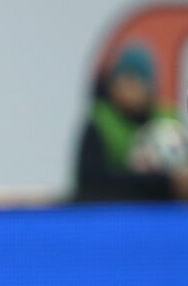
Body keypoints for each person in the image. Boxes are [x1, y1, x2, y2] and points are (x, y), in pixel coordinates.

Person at [75, 44, 188, 202]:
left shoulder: (169, 123)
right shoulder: (100, 122)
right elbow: (92, 182)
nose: (126, 89)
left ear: (150, 86)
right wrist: (163, 184)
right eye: (121, 81)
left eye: (134, 81)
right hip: (117, 216)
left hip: (167, 217)